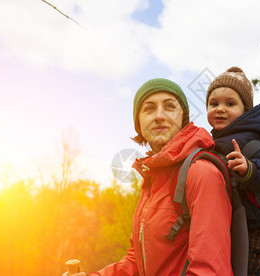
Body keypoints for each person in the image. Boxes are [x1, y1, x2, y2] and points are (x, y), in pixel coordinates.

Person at [66, 78, 233, 275]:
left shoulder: (201, 173)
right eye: (149, 109)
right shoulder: (153, 180)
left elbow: (209, 271)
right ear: (139, 123)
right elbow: (138, 261)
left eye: (169, 107)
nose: (159, 116)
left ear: (183, 118)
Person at [206, 67, 260, 276]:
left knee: (248, 271)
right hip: (231, 223)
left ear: (245, 110)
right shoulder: (214, 140)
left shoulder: (255, 139)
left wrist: (249, 169)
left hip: (257, 227)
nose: (220, 109)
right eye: (214, 104)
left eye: (230, 104)